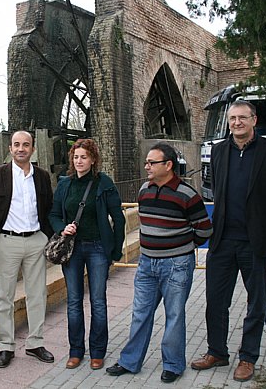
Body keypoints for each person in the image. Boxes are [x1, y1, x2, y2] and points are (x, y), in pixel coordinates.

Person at [190, 100, 266, 382]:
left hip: (255, 243)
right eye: (232, 118)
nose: (236, 123)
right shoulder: (220, 151)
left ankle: (248, 357)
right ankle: (217, 351)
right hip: (222, 240)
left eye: (242, 118)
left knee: (256, 303)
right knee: (215, 301)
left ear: (254, 120)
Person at [106, 142, 213, 384]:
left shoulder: (187, 194)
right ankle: (129, 361)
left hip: (176, 265)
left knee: (174, 315)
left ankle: (173, 365)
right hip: (146, 264)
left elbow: (205, 231)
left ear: (168, 165)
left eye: (152, 162)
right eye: (146, 162)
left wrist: (180, 248)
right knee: (140, 314)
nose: (147, 167)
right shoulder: (144, 189)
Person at [0, 130, 55, 368]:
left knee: (37, 295)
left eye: (26, 145)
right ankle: (6, 346)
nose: (21, 148)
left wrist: (46, 236)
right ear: (10, 148)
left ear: (32, 149)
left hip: (35, 241)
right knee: (4, 297)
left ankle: (35, 343)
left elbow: (49, 209)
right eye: (16, 144)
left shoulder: (41, 177)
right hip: (6, 242)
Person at [48, 138, 126, 371]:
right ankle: (76, 351)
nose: (79, 161)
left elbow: (119, 218)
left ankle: (98, 352)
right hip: (72, 249)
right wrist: (62, 227)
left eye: (84, 157)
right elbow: (53, 214)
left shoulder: (103, 183)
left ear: (93, 159)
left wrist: (116, 249)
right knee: (73, 301)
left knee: (98, 301)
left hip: (98, 249)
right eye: (76, 157)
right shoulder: (65, 184)